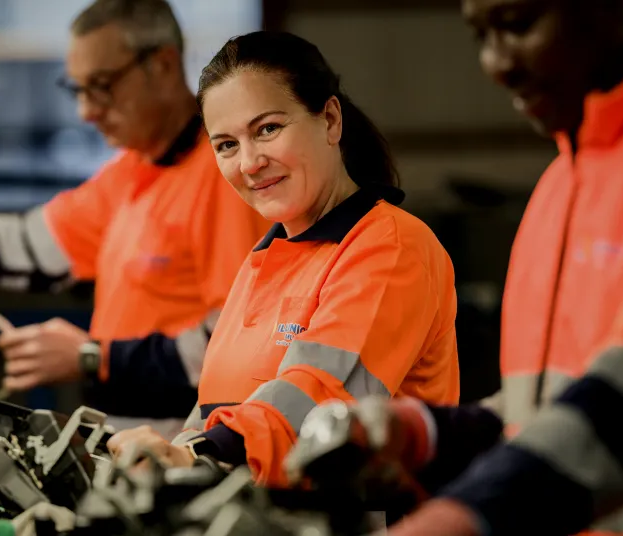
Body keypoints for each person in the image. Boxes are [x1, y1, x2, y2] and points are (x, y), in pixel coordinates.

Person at [327, 1, 623, 534]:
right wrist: (428, 432)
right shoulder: (562, 187)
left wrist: (456, 521)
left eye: (518, 24)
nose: (496, 63)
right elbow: (547, 412)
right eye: (480, 35)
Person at [0, 0, 270, 435]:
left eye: (102, 86)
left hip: (189, 448)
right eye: (77, 90)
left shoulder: (227, 177)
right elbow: (21, 246)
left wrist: (92, 357)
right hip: (125, 441)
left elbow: (242, 341)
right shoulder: (132, 171)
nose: (86, 112)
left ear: (163, 65)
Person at [107, 31, 462, 487]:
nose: (250, 162)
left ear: (330, 120)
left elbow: (322, 401)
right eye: (226, 145)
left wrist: (199, 457)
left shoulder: (391, 247)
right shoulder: (262, 264)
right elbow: (214, 413)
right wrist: (173, 455)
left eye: (267, 129)